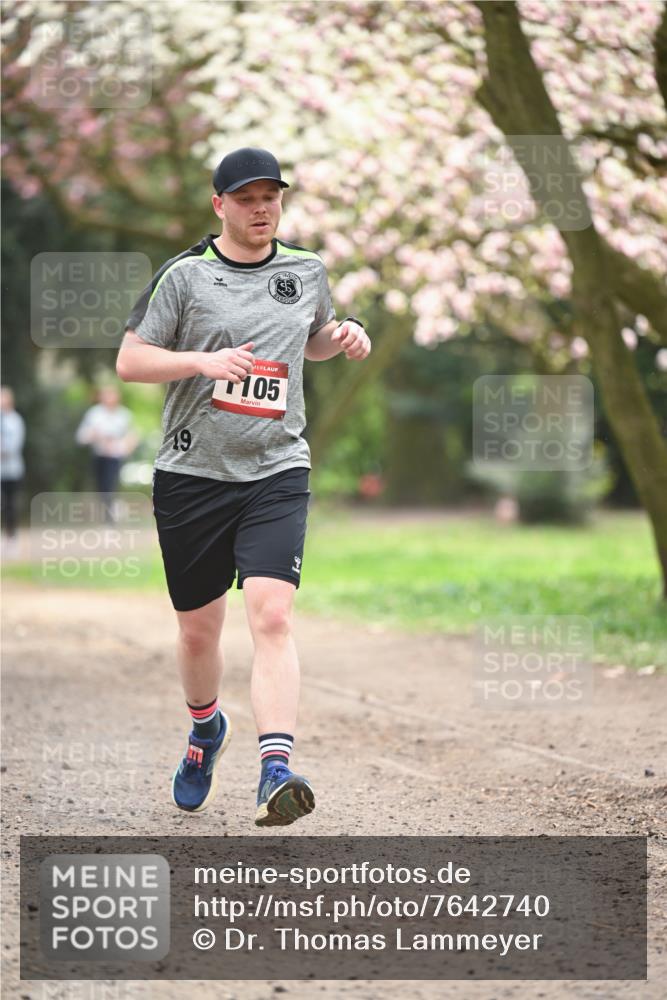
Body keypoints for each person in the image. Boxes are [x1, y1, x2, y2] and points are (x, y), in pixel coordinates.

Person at [116, 147, 370, 826]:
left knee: (273, 616)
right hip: (192, 474)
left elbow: (308, 339)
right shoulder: (185, 277)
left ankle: (275, 769)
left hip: (276, 468)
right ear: (219, 204)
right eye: (247, 198)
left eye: (271, 197)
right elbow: (130, 359)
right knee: (200, 633)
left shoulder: (306, 271)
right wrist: (201, 360)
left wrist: (342, 335)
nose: (261, 210)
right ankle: (205, 732)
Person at [75, 386, 137, 521]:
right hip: (98, 456)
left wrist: (124, 448)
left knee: (110, 486)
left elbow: (132, 437)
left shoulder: (124, 415)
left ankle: (109, 521)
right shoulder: (94, 414)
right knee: (101, 487)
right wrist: (93, 435)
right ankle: (106, 516)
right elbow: (81, 436)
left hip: (115, 457)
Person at [1, 386, 26, 557]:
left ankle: (12, 539)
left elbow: (14, 446)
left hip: (12, 470)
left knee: (10, 505)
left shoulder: (15, 421)